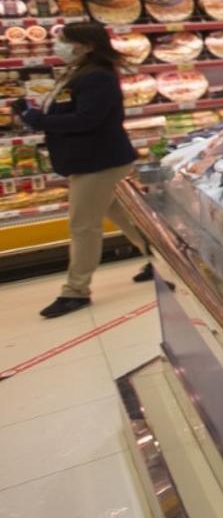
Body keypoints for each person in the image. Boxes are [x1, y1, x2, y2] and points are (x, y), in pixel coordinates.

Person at [14, 21, 139, 318]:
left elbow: (86, 120)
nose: (58, 44)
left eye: (65, 40)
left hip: (98, 163)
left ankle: (76, 291)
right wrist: (34, 109)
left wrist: (38, 120)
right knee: (128, 217)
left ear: (87, 45)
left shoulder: (97, 77)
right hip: (96, 160)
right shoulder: (81, 72)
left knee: (83, 227)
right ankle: (165, 257)